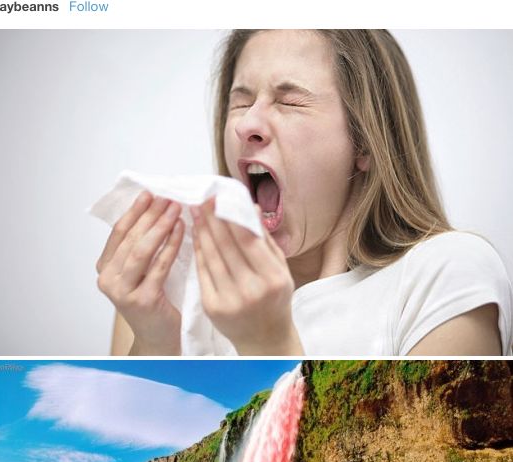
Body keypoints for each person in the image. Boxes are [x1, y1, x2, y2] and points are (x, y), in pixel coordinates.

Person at [97, 29, 512, 356]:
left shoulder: (443, 274)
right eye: (240, 103)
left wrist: (267, 343)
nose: (246, 125)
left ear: (366, 139)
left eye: (289, 102)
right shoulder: (162, 287)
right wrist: (153, 343)